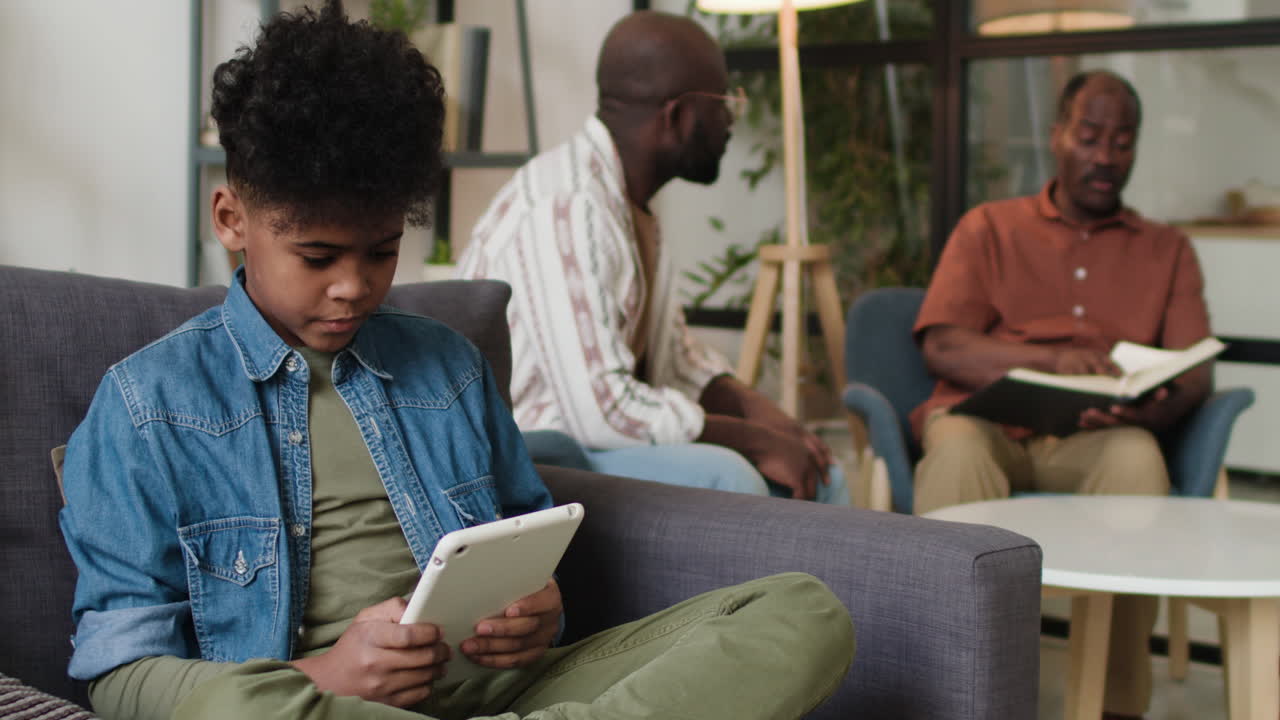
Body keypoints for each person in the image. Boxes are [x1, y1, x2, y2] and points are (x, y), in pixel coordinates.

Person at [56, 5, 854, 720]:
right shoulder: (145, 405)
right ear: (232, 218)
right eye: (317, 256)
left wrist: (542, 611)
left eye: (381, 252)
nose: (353, 288)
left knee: (802, 611)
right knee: (235, 710)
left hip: (511, 690)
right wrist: (325, 677)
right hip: (317, 704)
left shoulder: (450, 368)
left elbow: (526, 554)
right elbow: (121, 677)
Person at [911, 70, 1212, 720]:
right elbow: (943, 346)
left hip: (1098, 436)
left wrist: (1145, 406)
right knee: (957, 449)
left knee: (1137, 456)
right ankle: (947, 694)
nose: (1106, 156)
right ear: (1057, 137)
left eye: (1123, 141)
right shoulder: (989, 227)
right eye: (1090, 136)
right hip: (985, 423)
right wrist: (1050, 360)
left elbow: (1194, 373)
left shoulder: (1168, 250)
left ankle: (1116, 705)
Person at [457, 11, 846, 505]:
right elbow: (602, 408)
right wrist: (753, 440)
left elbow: (676, 363)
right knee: (731, 479)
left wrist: (761, 413)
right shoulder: (569, 205)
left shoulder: (631, 207)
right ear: (678, 116)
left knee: (824, 474)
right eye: (726, 104)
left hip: (599, 441)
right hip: (538, 455)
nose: (731, 122)